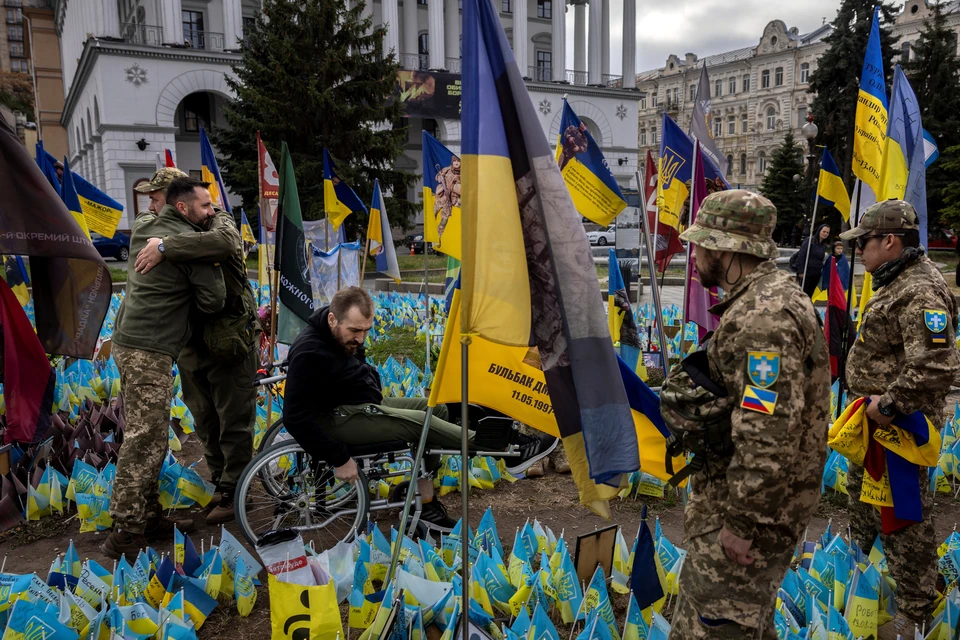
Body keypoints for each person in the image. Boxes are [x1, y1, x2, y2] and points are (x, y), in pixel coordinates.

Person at [659, 190, 829, 640]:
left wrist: (742, 525)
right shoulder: (770, 298)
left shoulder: (763, 318)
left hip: (744, 518)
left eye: (701, 244)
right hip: (751, 506)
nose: (695, 256)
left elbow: (767, 432)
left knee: (718, 626)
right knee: (738, 622)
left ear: (726, 247)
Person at [282, 287, 558, 532]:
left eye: (366, 330)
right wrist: (339, 458)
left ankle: (425, 504)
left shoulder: (339, 334)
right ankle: (504, 450)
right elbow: (294, 417)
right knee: (419, 423)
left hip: (356, 403)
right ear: (333, 319)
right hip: (330, 419)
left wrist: (363, 375)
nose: (362, 338)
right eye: (355, 331)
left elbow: (356, 369)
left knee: (435, 409)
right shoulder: (310, 352)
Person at [840, 200, 960, 639]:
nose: (860, 252)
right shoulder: (897, 280)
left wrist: (889, 405)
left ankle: (918, 608)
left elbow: (937, 364)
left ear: (889, 242)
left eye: (865, 243)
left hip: (898, 429)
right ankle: (862, 582)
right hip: (874, 426)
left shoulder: (918, 290)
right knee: (864, 500)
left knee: (903, 518)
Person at [103, 177, 227, 560]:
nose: (212, 212)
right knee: (146, 439)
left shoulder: (145, 226)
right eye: (206, 206)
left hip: (126, 342)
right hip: (150, 350)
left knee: (147, 434)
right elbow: (214, 300)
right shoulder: (189, 249)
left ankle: (148, 516)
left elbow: (148, 212)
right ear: (183, 208)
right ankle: (124, 531)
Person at [133, 171, 259, 525]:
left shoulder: (216, 222)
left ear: (179, 201)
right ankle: (221, 481)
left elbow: (226, 245)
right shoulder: (164, 226)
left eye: (155, 198)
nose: (153, 207)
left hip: (229, 340)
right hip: (193, 345)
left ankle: (236, 490)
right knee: (204, 418)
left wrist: (165, 247)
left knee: (234, 418)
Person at [790, 223, 830, 297]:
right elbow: (801, 255)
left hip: (816, 274)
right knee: (803, 295)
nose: (825, 234)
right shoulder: (810, 241)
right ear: (819, 231)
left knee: (809, 296)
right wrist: (801, 271)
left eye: (827, 232)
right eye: (824, 231)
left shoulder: (824, 245)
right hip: (806, 273)